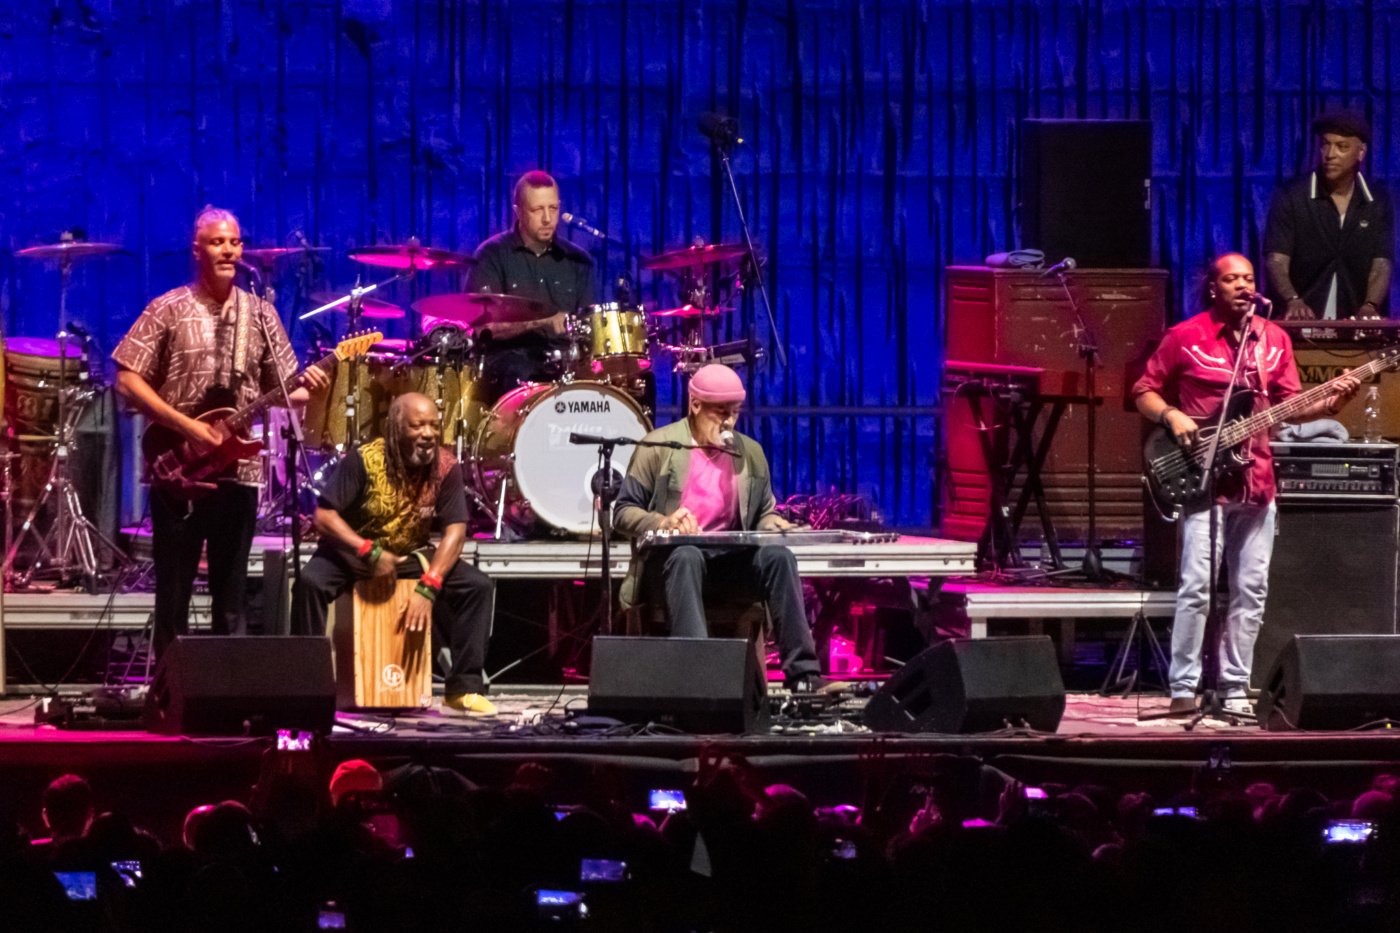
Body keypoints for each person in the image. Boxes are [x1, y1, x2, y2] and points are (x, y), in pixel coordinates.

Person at [1132, 253, 1359, 715]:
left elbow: (1290, 406)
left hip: (1257, 480)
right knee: (1197, 588)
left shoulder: (1273, 339)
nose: (1243, 286)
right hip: (1203, 479)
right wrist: (1172, 415)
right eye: (1232, 279)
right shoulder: (1186, 336)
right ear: (1213, 288)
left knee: (1251, 591)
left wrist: (1330, 404)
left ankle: (1235, 687)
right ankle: (1183, 687)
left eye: (1249, 278)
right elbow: (1143, 390)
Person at [113, 206, 330, 659]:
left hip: (238, 472)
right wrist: (187, 426)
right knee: (173, 594)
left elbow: (284, 389)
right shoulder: (168, 308)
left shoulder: (261, 313)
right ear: (197, 250)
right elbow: (127, 379)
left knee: (231, 597)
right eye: (217, 242)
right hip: (179, 470)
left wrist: (311, 384)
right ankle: (169, 687)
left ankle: (228, 689)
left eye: (234, 242)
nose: (228, 250)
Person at [614, 363, 832, 692]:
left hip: (729, 565)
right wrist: (663, 522)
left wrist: (773, 523)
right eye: (720, 412)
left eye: (735, 412)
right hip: (673, 567)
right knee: (687, 555)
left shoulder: (750, 453)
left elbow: (763, 513)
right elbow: (622, 511)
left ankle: (804, 676)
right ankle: (701, 678)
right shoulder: (658, 446)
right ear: (695, 405)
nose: (729, 421)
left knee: (779, 557)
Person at [290, 392, 495, 715]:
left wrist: (430, 585)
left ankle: (463, 688)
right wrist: (368, 551)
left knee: (477, 586)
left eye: (434, 426)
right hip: (355, 553)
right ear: (396, 428)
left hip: (407, 555)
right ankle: (306, 689)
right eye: (418, 426)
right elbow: (324, 517)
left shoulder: (446, 466)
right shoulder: (363, 460)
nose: (428, 434)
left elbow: (455, 533)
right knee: (310, 584)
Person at [463, 170, 597, 404]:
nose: (547, 219)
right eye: (537, 210)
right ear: (518, 212)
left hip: (566, 359)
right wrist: (540, 322)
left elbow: (589, 324)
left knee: (634, 378)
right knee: (520, 370)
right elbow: (483, 330)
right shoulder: (492, 255)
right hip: (510, 359)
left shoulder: (578, 260)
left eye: (553, 209)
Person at [1264, 109, 1394, 321]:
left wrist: (1370, 305)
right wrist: (1292, 300)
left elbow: (1381, 263)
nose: (1330, 154)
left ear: (1361, 152)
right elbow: (1276, 260)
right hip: (1299, 321)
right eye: (1325, 144)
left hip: (1354, 322)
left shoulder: (1376, 201)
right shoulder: (1293, 195)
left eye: (1342, 146)